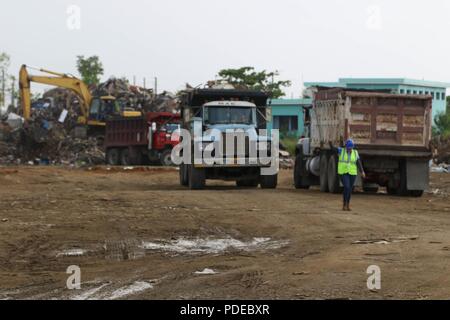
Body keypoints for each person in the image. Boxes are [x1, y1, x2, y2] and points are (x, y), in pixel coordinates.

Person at [337, 139, 366, 211]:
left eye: (351, 148)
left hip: (352, 173)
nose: (350, 149)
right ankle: (344, 204)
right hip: (343, 172)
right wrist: (330, 144)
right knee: (346, 186)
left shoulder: (355, 153)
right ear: (346, 146)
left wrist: (362, 171)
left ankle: (347, 205)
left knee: (350, 189)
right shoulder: (341, 151)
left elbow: (358, 162)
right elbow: (332, 149)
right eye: (348, 147)